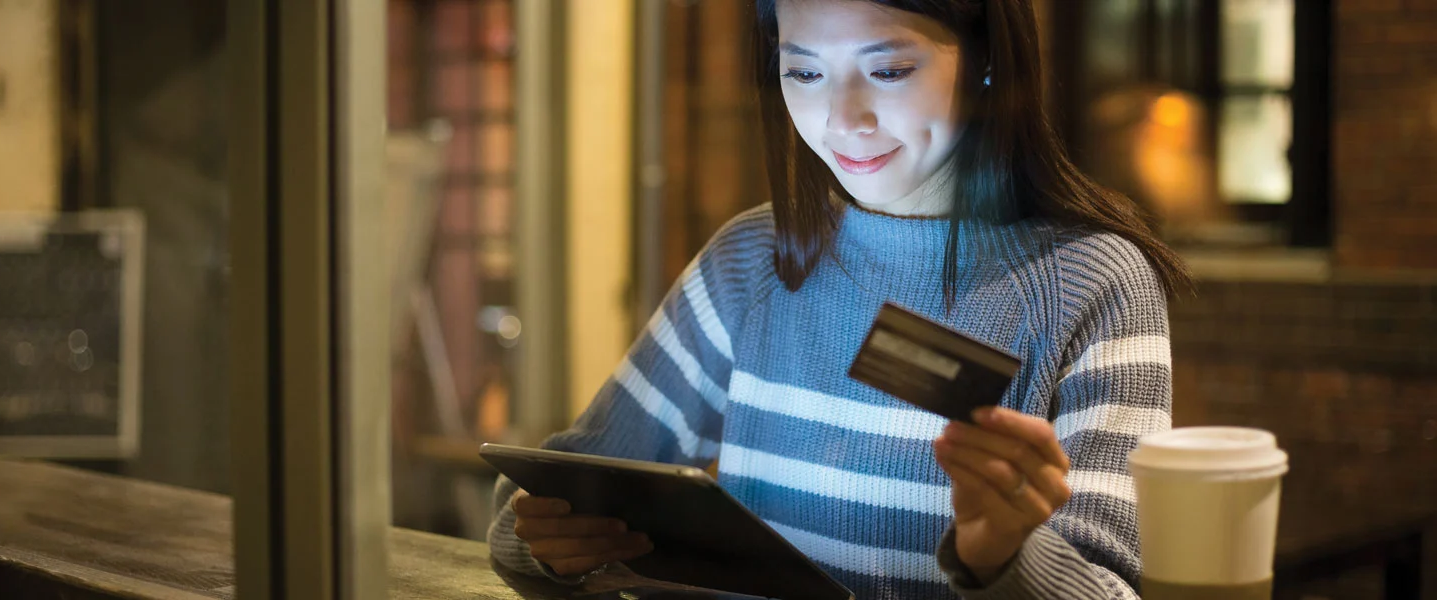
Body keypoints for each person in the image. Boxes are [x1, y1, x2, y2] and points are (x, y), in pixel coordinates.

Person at [488, 0, 1190, 597]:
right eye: (803, 72)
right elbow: (545, 495)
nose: (842, 118)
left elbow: (1111, 588)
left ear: (986, 59)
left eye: (888, 70)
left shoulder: (1092, 282)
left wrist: (1003, 557)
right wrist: (550, 541)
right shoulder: (752, 260)